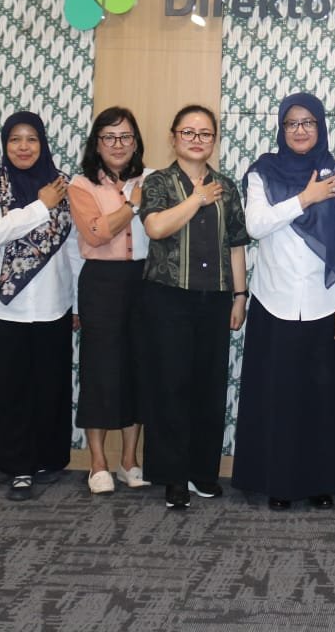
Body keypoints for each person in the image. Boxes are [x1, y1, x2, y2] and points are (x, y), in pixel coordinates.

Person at [233, 93, 335, 510]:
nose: (300, 130)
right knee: (278, 398)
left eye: (308, 122)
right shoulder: (263, 172)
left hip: (326, 302)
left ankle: (321, 483)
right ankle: (278, 483)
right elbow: (256, 226)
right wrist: (305, 199)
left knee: (320, 400)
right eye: (292, 123)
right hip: (273, 300)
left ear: (321, 126)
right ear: (281, 128)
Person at [138, 105, 250, 510]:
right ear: (173, 138)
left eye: (205, 133)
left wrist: (240, 296)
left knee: (208, 385)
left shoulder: (227, 187)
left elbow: (236, 245)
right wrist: (197, 199)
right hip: (167, 296)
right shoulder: (158, 182)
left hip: (215, 298)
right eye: (188, 132)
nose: (197, 139)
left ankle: (203, 471)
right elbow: (155, 227)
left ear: (214, 140)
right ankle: (173, 476)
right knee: (170, 386)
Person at [0, 111, 78, 501]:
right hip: (0, 308)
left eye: (32, 139)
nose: (24, 147)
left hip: (52, 302)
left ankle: (45, 458)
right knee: (7, 387)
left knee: (48, 386)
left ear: (42, 143)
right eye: (15, 139)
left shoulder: (61, 184)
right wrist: (40, 206)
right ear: (5, 144)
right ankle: (17, 467)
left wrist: (77, 301)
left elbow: (74, 245)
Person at [67, 107, 150, 494]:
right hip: (101, 282)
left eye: (125, 137)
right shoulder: (81, 185)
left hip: (144, 281)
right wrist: (132, 205)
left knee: (138, 369)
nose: (118, 145)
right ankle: (97, 462)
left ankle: (129, 460)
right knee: (99, 371)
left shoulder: (151, 179)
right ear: (96, 144)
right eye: (109, 137)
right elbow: (96, 233)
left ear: (136, 142)